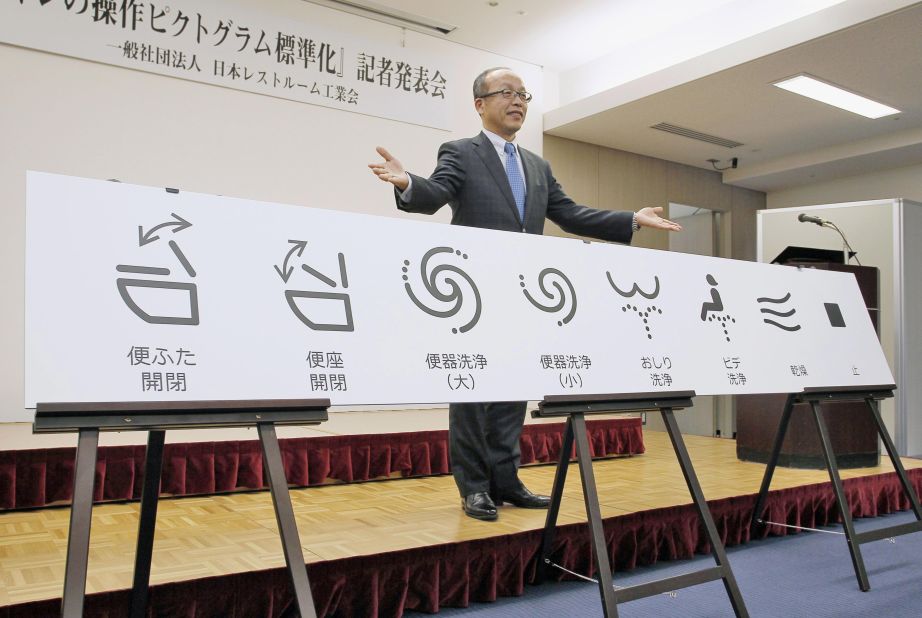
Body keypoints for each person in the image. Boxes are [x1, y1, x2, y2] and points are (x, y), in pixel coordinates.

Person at [369, 67, 681, 521]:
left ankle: (506, 480)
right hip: (472, 293)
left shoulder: (537, 165)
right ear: (480, 104)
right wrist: (407, 183)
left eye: (523, 95)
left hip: (522, 292)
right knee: (474, 391)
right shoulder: (461, 152)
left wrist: (630, 219)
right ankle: (474, 487)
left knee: (513, 387)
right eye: (506, 93)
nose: (517, 101)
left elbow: (570, 214)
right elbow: (435, 193)